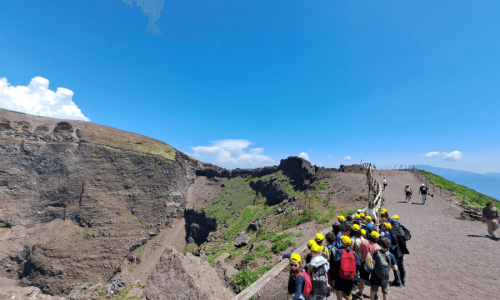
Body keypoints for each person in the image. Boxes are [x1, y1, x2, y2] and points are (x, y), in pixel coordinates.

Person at [355, 231, 381, 299]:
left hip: (364, 262)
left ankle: (360, 293)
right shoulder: (378, 247)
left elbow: (360, 251)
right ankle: (376, 295)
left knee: (362, 278)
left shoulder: (364, 242)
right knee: (375, 280)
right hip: (374, 264)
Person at [389, 218, 409, 286]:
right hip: (402, 250)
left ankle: (397, 280)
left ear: (392, 225)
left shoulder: (392, 230)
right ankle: (403, 280)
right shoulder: (402, 230)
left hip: (396, 251)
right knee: (401, 265)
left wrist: (390, 247)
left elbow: (394, 242)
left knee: (395, 265)